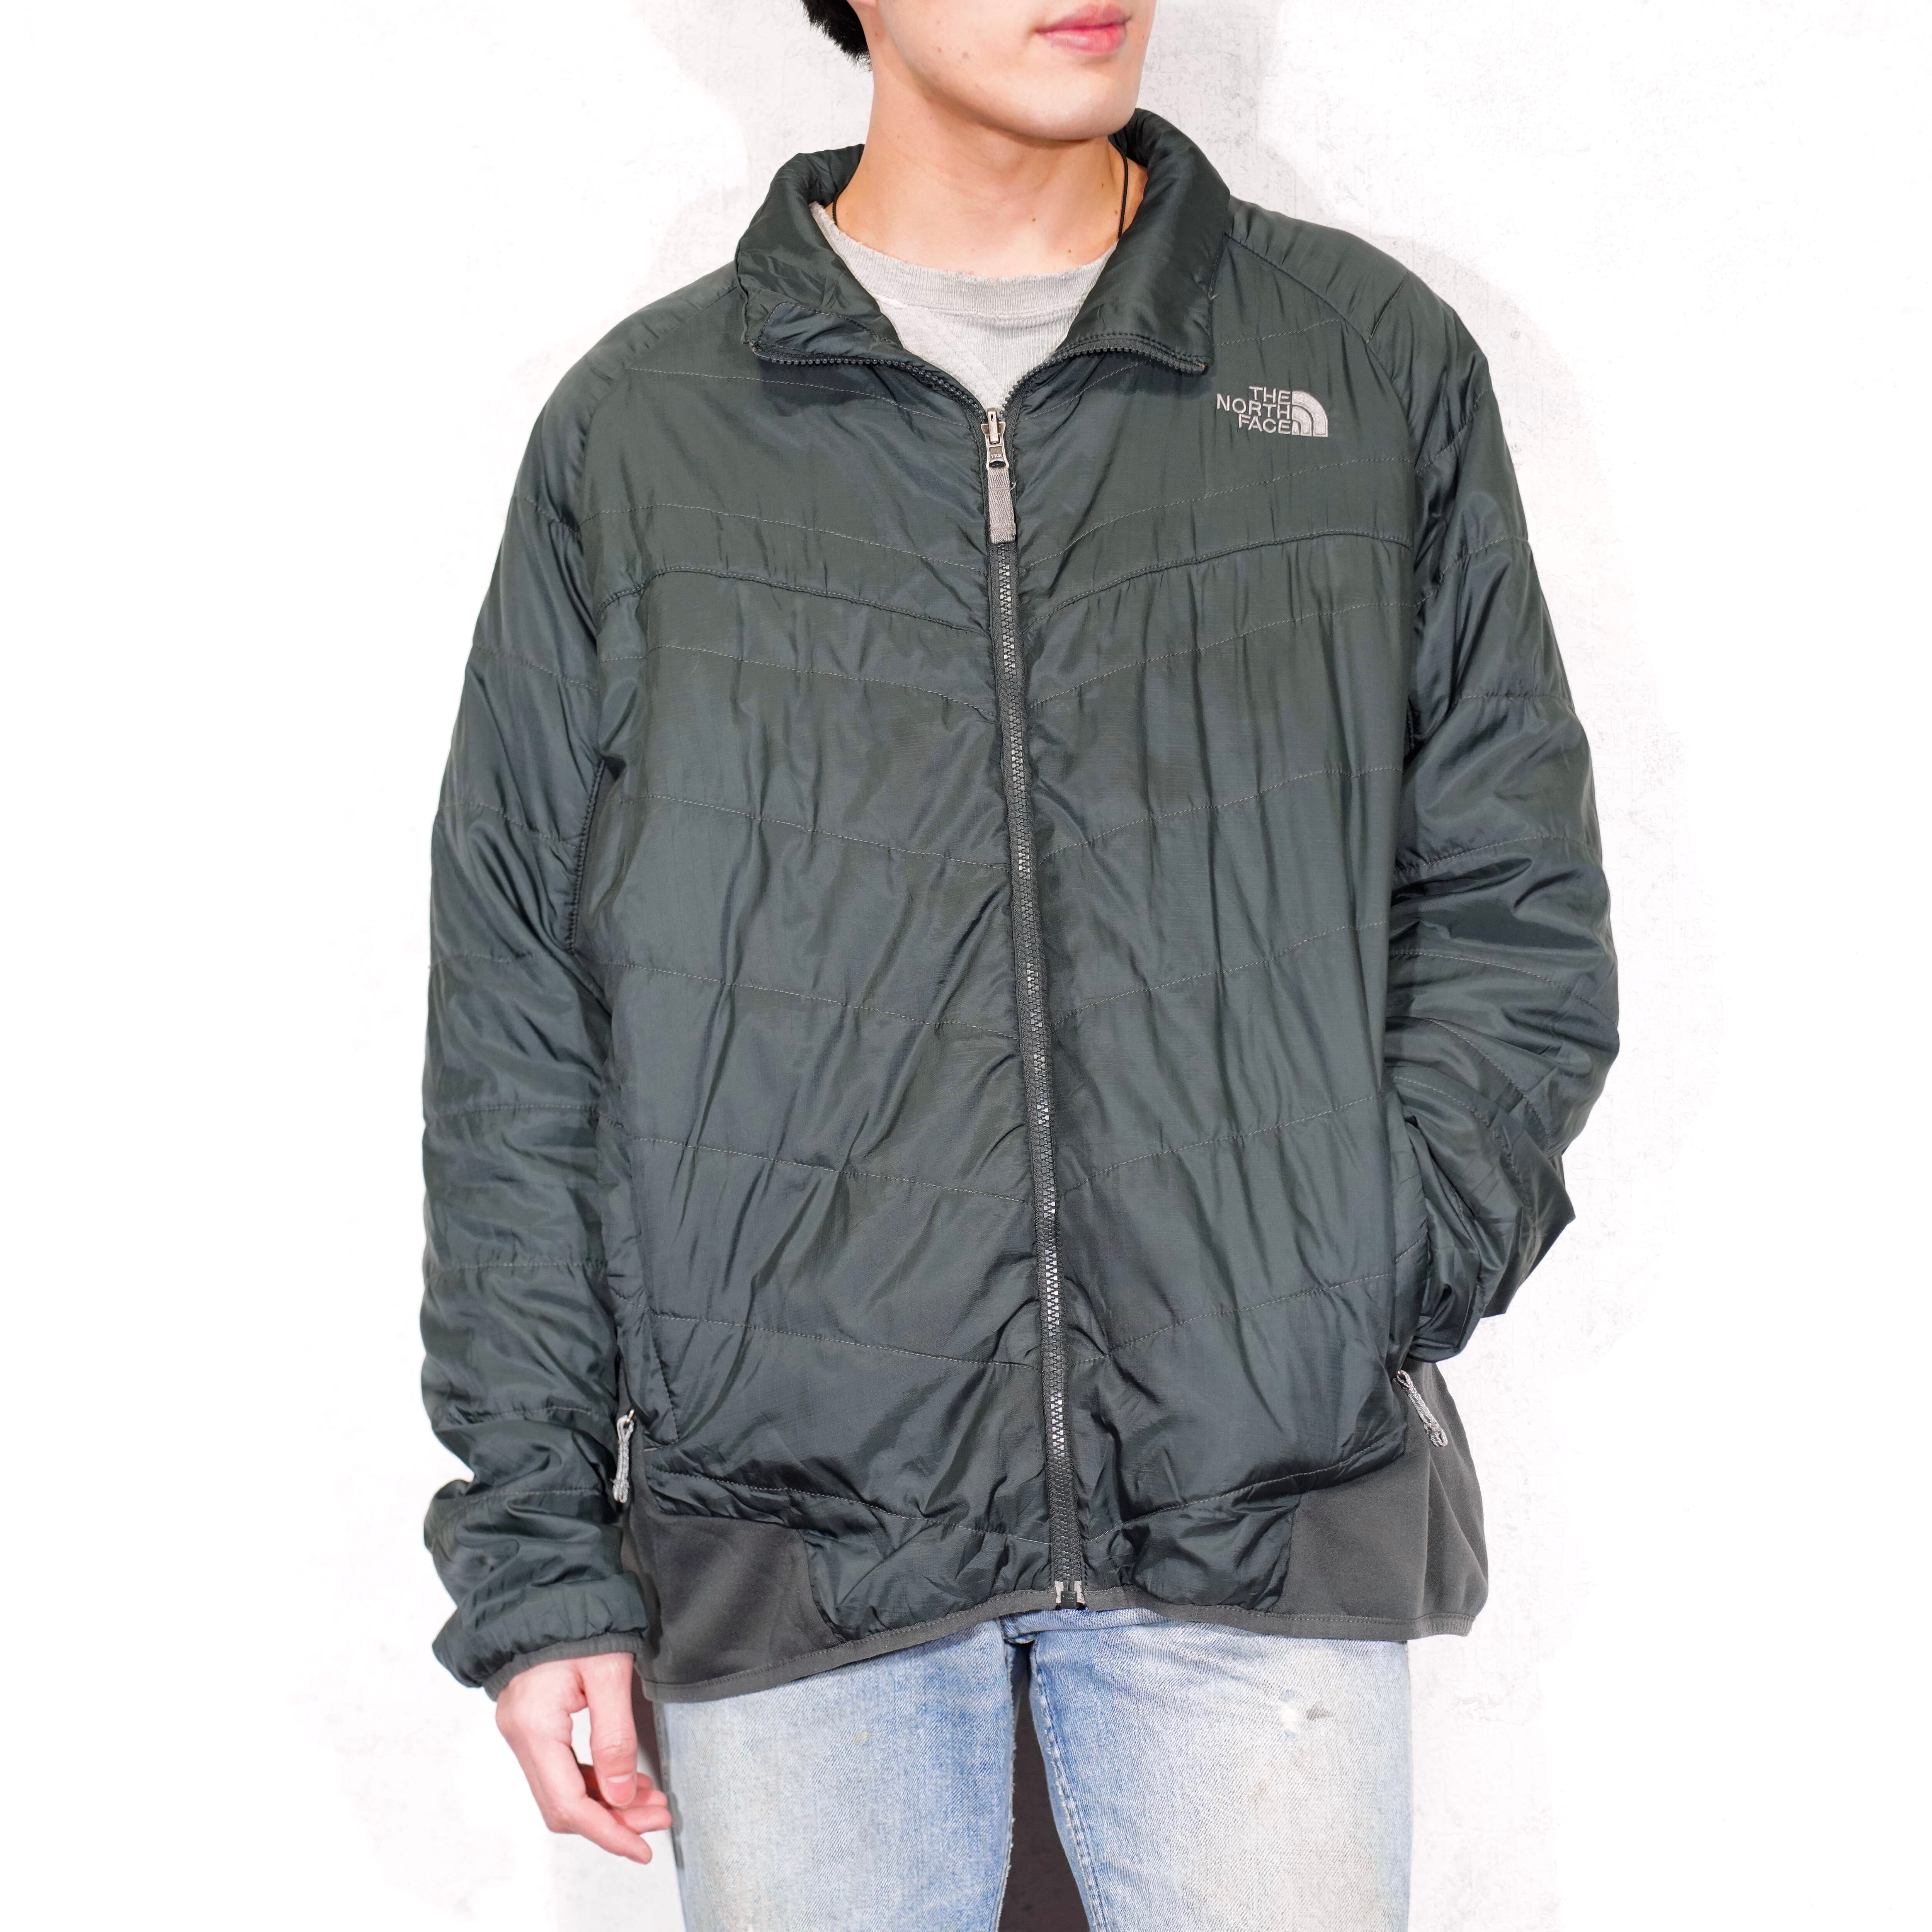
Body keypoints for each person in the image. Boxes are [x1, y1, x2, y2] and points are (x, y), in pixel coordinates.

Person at [419, 1, 1618, 1924]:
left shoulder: (1358, 361)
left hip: (1258, 1505)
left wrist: (1349, 1272)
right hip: (792, 1537)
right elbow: (520, 1023)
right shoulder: (642, 433)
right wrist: (540, 1550)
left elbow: (1508, 898)